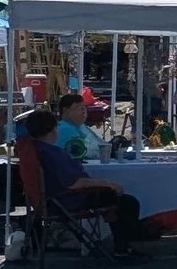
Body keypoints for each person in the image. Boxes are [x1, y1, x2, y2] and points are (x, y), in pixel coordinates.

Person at [18, 109, 150, 259]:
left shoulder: (32, 149)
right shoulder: (53, 153)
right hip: (66, 200)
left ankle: (121, 244)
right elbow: (75, 183)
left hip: (49, 201)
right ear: (53, 129)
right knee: (127, 202)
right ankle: (123, 249)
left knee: (112, 198)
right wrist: (108, 184)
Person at [55, 95, 101, 162]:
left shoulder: (81, 126)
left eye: (84, 106)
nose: (83, 109)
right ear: (65, 110)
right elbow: (83, 154)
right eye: (78, 106)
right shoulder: (63, 128)